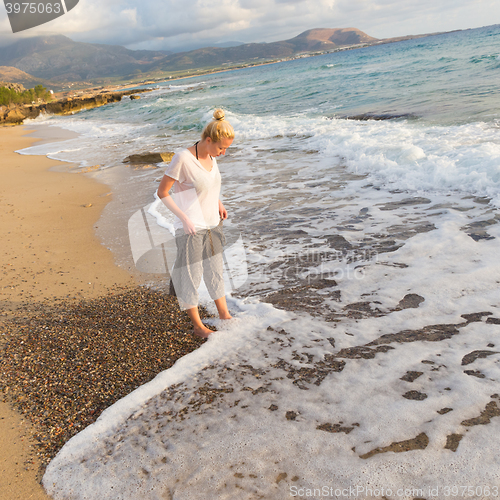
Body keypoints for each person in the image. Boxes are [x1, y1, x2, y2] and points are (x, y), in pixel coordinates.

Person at [157, 109, 234, 338]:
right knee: (191, 276)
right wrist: (184, 218)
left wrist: (218, 202)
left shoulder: (211, 156)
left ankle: (224, 315)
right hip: (191, 228)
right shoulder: (183, 158)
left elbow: (208, 184)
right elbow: (163, 192)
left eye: (226, 148)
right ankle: (198, 327)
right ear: (208, 140)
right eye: (222, 147)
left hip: (213, 224)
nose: (223, 152)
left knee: (215, 272)